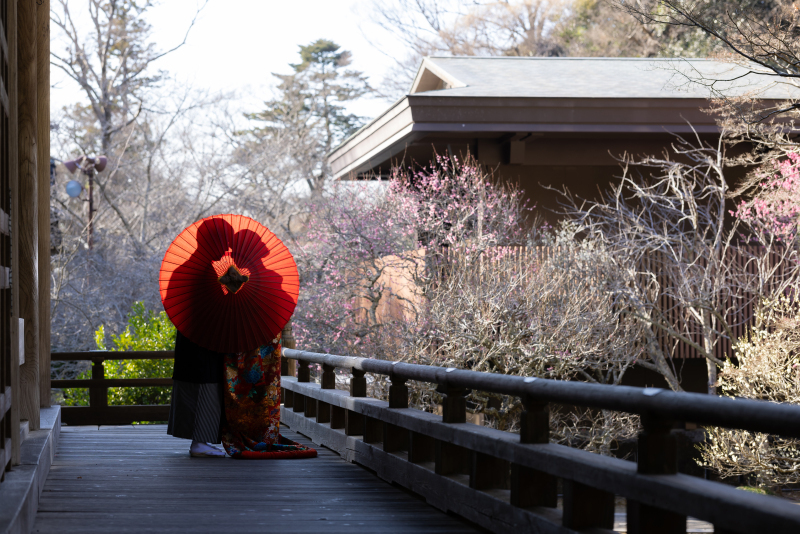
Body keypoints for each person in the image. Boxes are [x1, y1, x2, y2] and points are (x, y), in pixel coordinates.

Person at [167, 330, 227, 458]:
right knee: (204, 388)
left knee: (204, 385)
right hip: (201, 342)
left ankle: (200, 441)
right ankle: (199, 442)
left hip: (195, 338)